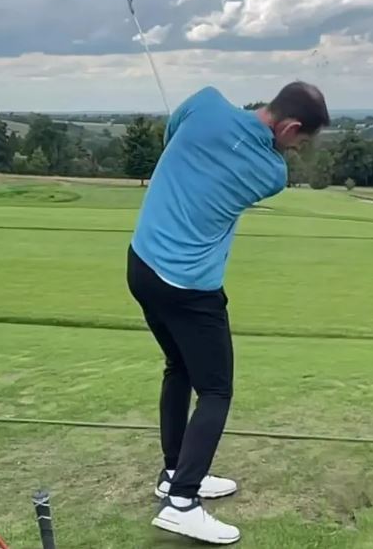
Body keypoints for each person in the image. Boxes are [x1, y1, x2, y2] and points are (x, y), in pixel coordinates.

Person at [127, 81, 330, 545]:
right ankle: (181, 502)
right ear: (290, 126)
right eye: (301, 140)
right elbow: (242, 156)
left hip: (141, 264)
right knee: (216, 390)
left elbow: (172, 137)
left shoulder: (203, 101)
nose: (298, 149)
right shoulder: (271, 172)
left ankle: (175, 473)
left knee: (178, 367)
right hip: (190, 289)